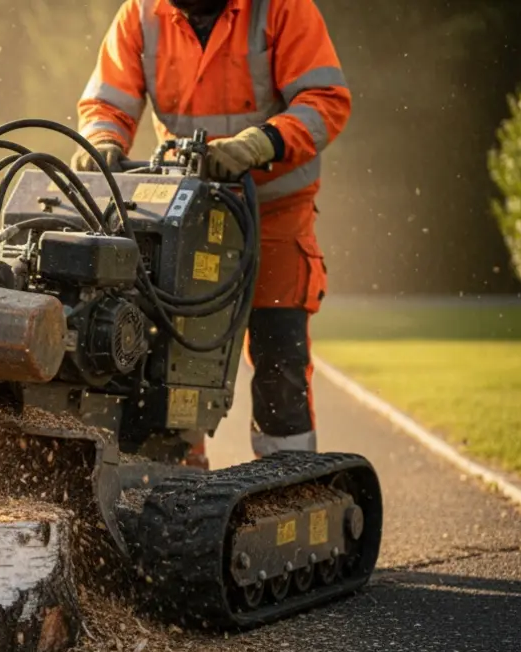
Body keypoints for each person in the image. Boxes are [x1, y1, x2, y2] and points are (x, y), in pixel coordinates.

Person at [72, 0, 351, 468]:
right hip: (183, 217)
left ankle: (289, 479)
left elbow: (325, 100)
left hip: (274, 215)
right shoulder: (142, 15)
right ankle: (176, 479)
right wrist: (103, 142)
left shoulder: (282, 9)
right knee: (163, 353)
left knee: (279, 357)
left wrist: (259, 143)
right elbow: (106, 103)